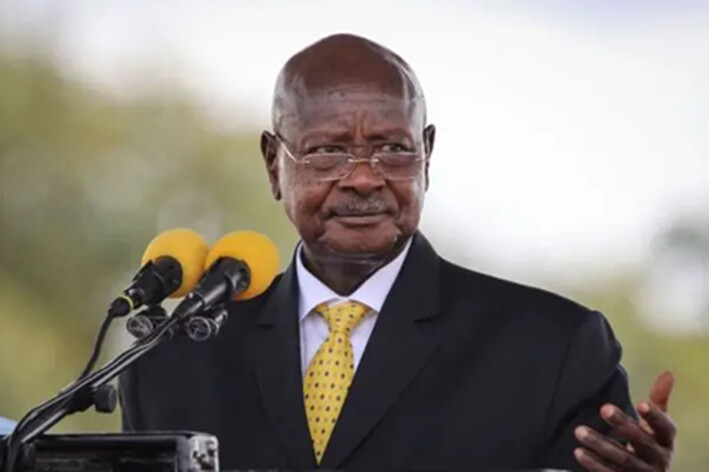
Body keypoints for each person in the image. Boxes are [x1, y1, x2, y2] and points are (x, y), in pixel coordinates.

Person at [119, 34, 676, 471]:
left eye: (392, 149)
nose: (363, 178)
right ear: (274, 165)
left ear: (427, 156)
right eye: (329, 151)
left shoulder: (554, 349)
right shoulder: (170, 365)